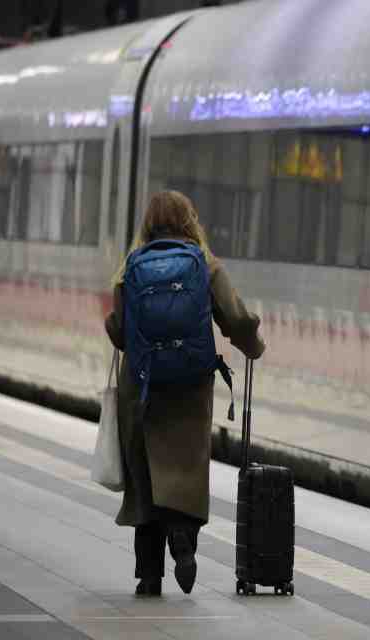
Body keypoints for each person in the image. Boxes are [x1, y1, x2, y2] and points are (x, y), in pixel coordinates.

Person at [105, 190, 265, 596]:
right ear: (190, 221)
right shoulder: (205, 265)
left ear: (147, 224)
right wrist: (253, 347)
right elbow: (237, 317)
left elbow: (120, 332)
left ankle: (148, 575)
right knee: (185, 472)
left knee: (145, 481)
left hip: (141, 386)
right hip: (190, 389)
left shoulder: (131, 268)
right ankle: (183, 539)